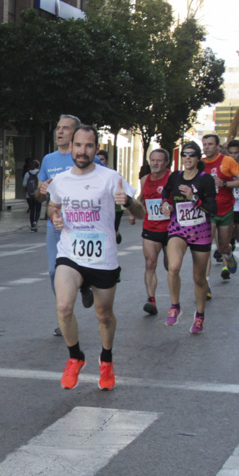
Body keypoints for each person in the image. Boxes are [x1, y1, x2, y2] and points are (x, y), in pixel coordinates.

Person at [49, 125, 141, 390]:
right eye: (78, 145)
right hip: (70, 253)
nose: (82, 151)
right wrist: (55, 216)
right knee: (64, 307)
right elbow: (52, 206)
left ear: (96, 148)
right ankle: (75, 357)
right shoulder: (62, 180)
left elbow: (141, 211)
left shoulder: (111, 178)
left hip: (102, 258)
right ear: (71, 147)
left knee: (104, 315)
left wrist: (128, 203)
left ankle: (107, 360)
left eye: (89, 146)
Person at [36, 115, 103, 336]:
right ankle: (64, 316)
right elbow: (38, 196)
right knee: (55, 271)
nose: (59, 132)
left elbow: (102, 186)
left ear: (75, 136)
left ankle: (84, 285)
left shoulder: (85, 158)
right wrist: (42, 190)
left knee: (85, 268)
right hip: (55, 225)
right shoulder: (48, 160)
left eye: (65, 129)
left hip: (83, 226)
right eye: (58, 128)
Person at [160, 141, 216, 334]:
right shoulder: (175, 176)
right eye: (185, 154)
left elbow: (212, 208)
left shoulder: (206, 179)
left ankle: (200, 315)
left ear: (198, 158)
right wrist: (164, 204)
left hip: (201, 232)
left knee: (199, 279)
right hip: (178, 228)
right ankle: (175, 306)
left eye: (192, 154)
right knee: (173, 266)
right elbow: (166, 191)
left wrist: (194, 197)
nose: (188, 158)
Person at [200, 134, 239, 286]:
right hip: (208, 211)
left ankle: (229, 255)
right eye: (205, 144)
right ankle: (205, 284)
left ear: (218, 146)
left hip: (225, 210)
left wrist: (224, 184)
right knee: (206, 247)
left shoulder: (227, 161)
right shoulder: (200, 164)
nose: (207, 147)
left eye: (210, 144)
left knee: (223, 246)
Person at [139, 148, 172, 316]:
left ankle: (175, 301)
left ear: (166, 163)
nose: (155, 163)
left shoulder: (173, 178)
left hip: (171, 229)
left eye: (159, 161)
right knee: (150, 263)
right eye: (153, 160)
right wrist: (135, 210)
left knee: (170, 266)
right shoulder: (145, 179)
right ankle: (151, 299)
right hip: (150, 227)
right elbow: (141, 198)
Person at [22, 158, 41, 232]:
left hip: (29, 195)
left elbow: (24, 184)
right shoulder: (40, 173)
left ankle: (32, 227)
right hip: (38, 194)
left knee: (32, 210)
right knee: (38, 210)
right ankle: (35, 221)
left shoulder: (27, 173)